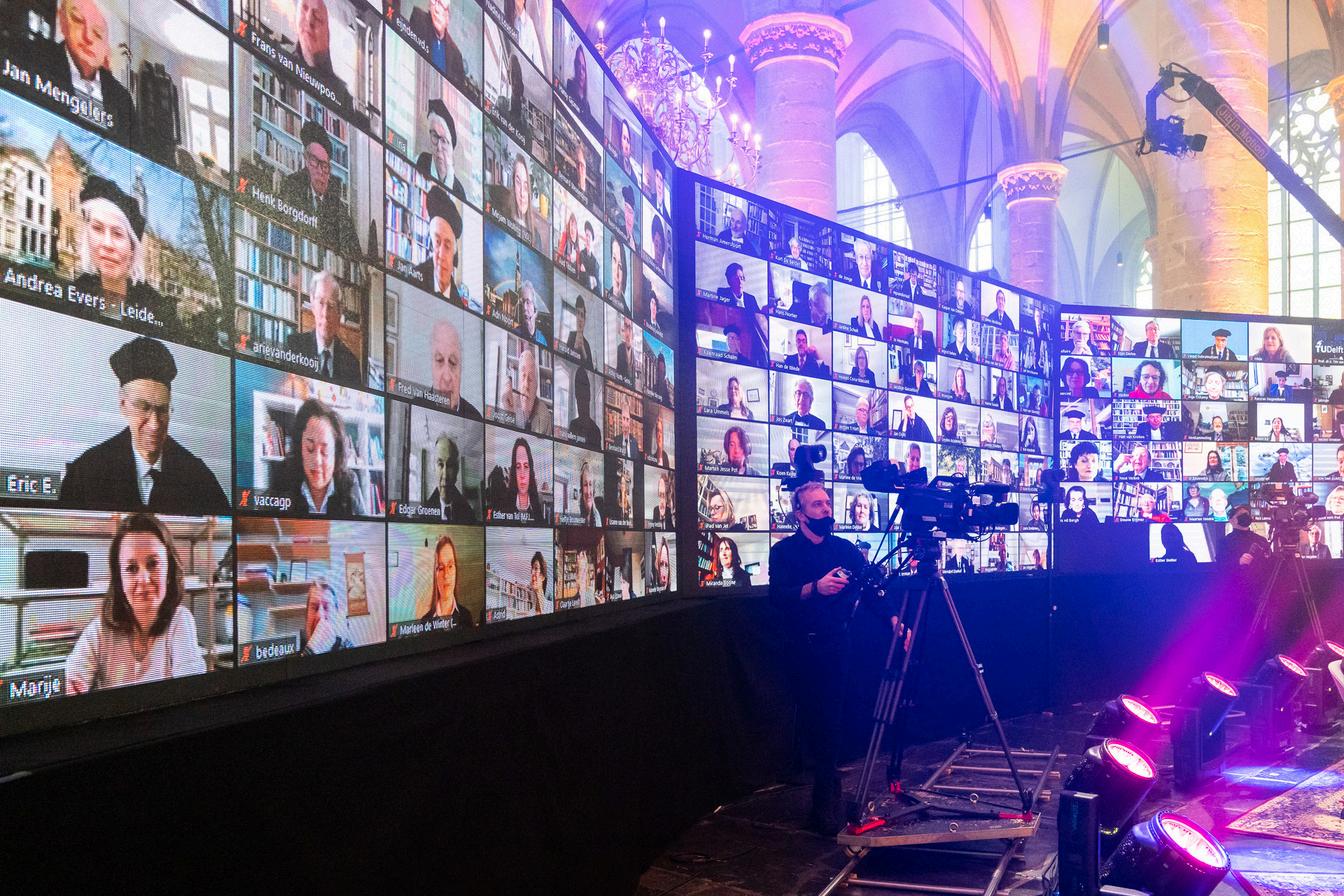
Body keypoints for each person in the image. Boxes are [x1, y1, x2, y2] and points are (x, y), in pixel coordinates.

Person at [768, 480, 899, 832]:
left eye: (827, 503)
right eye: (817, 505)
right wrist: (815, 588)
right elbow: (778, 596)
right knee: (810, 718)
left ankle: (826, 799)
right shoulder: (783, 552)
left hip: (836, 645)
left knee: (831, 720)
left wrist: (892, 617)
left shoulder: (844, 549)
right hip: (799, 647)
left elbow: (872, 587)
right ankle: (818, 787)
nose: (826, 509)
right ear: (799, 514)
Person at [59, 337, 228, 513]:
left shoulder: (197, 476)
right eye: (143, 407)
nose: (154, 424)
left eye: (162, 410)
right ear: (123, 405)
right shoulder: (88, 471)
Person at [64, 513, 206, 693]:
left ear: (169, 572)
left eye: (153, 564)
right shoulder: (100, 631)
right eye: (131, 568)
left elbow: (191, 689)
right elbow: (73, 681)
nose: (144, 580)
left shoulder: (180, 620)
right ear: (119, 579)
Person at [71, 176, 176, 335]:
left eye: (118, 234)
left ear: (133, 248)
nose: (107, 244)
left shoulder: (158, 308)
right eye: (97, 229)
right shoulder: (73, 294)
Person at [22, 0, 136, 145]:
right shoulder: (31, 56)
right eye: (78, 20)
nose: (88, 37)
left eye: (98, 33)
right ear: (62, 21)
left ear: (106, 48)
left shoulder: (123, 100)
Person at [278, 119, 362, 256]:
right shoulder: (291, 189)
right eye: (314, 161)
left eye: (324, 166)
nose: (320, 171)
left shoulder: (340, 210)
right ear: (306, 161)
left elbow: (355, 254)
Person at [280, 398, 367, 516]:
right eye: (310, 448)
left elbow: (364, 525)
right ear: (299, 447)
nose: (317, 460)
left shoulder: (349, 482)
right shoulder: (284, 477)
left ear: (336, 453)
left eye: (325, 451)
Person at [284, 272, 361, 385]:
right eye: (320, 303)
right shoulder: (293, 346)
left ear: (339, 311)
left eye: (331, 305)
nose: (325, 314)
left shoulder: (352, 363)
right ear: (313, 305)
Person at [412, 186, 469, 306]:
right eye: (437, 242)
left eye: (447, 246)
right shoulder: (414, 279)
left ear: (454, 253)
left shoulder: (459, 306)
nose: (441, 255)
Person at [429, 320, 482, 419]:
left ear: (461, 369)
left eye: (453, 363)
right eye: (439, 360)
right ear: (431, 365)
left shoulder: (475, 417)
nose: (447, 377)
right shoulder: (414, 406)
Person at [418, 534, 474, 626]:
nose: (446, 575)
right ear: (435, 575)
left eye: (450, 566)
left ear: (456, 570)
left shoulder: (466, 616)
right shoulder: (425, 622)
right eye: (441, 568)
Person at [416, 99, 466, 200]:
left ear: (451, 150)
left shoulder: (459, 191)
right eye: (435, 136)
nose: (439, 147)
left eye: (444, 141)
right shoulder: (420, 160)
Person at [493, 153, 546, 247]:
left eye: (525, 187)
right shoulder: (502, 217)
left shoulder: (536, 237)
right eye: (518, 183)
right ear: (513, 185)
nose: (522, 193)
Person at [409, 0, 467, 83]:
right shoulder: (419, 19)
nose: (437, 9)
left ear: (448, 18)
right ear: (429, 7)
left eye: (442, 6)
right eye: (434, 2)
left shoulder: (456, 55)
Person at [502, 345, 552, 435]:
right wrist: (509, 414)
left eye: (531, 379)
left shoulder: (545, 414)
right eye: (523, 375)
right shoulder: (509, 401)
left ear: (536, 386)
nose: (526, 385)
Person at [426, 435, 475, 521]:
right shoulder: (422, 514)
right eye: (440, 465)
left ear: (457, 469)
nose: (445, 476)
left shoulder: (470, 514)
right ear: (433, 468)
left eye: (450, 465)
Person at [499, 437, 544, 522]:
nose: (522, 475)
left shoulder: (537, 502)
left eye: (526, 466)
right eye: (518, 467)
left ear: (530, 471)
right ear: (514, 471)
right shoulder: (505, 504)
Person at [566, 367, 602, 447]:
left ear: (589, 398)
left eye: (584, 398)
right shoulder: (573, 425)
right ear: (576, 398)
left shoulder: (595, 430)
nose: (581, 404)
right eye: (579, 399)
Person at [564, 295, 595, 368]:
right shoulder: (571, 335)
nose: (579, 319)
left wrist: (583, 349)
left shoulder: (586, 344)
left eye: (582, 315)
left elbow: (591, 369)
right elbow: (565, 360)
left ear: (584, 320)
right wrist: (575, 347)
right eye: (577, 313)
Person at [516, 281, 548, 346]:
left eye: (528, 302)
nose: (524, 307)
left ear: (535, 309)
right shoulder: (515, 332)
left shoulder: (542, 340)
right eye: (522, 303)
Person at [575, 461, 602, 526]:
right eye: (585, 485)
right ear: (581, 488)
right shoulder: (576, 514)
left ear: (593, 489)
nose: (588, 491)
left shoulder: (597, 515)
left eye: (590, 484)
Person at [608, 239, 630, 310]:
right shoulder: (604, 296)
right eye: (614, 259)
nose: (616, 272)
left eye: (620, 266)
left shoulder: (627, 313)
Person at [578, 221, 601, 291]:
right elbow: (580, 276)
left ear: (592, 240)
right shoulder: (581, 254)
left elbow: (598, 287)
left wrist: (587, 276)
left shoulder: (596, 263)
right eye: (586, 235)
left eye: (589, 236)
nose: (587, 238)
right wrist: (591, 279)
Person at [616, 316, 636, 380]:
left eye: (630, 328)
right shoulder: (619, 349)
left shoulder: (633, 354)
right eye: (626, 327)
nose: (627, 333)